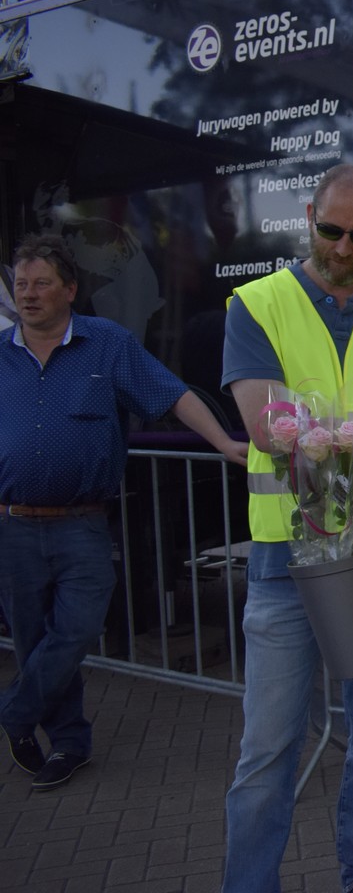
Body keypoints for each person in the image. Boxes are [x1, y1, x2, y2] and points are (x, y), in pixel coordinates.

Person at [221, 164, 353, 893]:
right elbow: (268, 428)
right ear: (310, 214)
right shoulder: (257, 304)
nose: (344, 248)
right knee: (269, 747)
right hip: (286, 560)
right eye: (331, 230)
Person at [1, 235, 246, 791]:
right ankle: (68, 742)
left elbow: (171, 394)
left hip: (83, 523)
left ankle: (15, 712)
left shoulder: (106, 344)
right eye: (21, 285)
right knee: (34, 640)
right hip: (11, 524)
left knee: (79, 629)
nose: (29, 294)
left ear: (69, 289)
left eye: (42, 284)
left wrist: (221, 441)